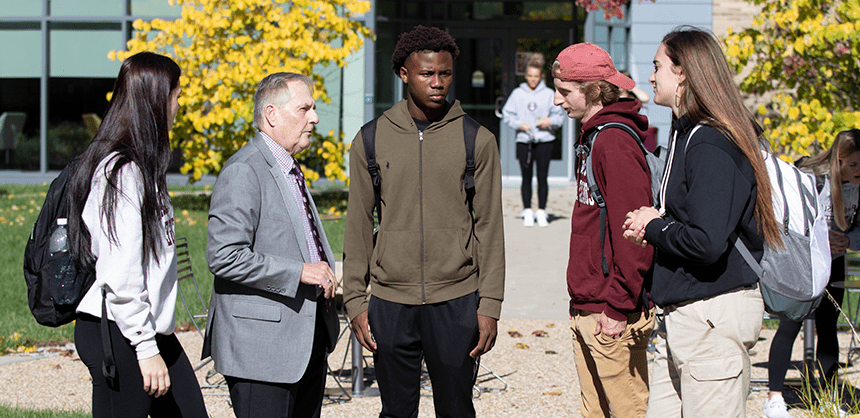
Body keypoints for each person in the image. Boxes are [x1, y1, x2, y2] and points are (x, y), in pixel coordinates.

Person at [342, 25, 505, 418]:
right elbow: (359, 225)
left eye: (445, 73)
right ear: (403, 73)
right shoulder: (370, 140)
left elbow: (489, 228)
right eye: (426, 74)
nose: (437, 83)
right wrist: (354, 301)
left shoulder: (476, 139)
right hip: (389, 300)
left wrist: (490, 305)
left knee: (456, 409)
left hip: (456, 298)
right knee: (396, 411)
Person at [622, 26, 782, 417]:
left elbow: (707, 241)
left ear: (683, 73)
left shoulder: (713, 142)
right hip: (686, 316)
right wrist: (659, 222)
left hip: (713, 317)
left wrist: (653, 227)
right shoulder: (687, 134)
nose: (650, 76)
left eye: (657, 66)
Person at [67, 51, 208, 418]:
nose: (180, 104)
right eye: (176, 94)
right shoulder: (122, 173)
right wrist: (146, 350)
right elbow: (121, 275)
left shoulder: (145, 168)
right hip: (118, 331)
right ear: (157, 100)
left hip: (144, 328)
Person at [203, 72, 339, 418]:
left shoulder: (288, 168)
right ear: (272, 115)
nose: (315, 118)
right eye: (304, 108)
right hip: (260, 351)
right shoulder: (244, 170)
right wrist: (301, 272)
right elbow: (224, 255)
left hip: (305, 342)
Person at [551, 43, 655, 418]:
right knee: (593, 412)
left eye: (565, 91)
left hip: (610, 312)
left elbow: (635, 234)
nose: (557, 100)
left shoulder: (613, 141)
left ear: (594, 90)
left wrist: (618, 304)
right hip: (590, 303)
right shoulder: (593, 136)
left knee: (628, 411)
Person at [763, 129, 860, 418]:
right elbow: (792, 221)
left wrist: (848, 242)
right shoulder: (816, 182)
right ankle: (774, 397)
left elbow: (856, 230)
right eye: (854, 165)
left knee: (828, 329)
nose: (859, 171)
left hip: (835, 264)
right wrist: (821, 240)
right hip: (804, 265)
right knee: (790, 325)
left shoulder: (857, 187)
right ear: (838, 161)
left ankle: (828, 395)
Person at [502, 53, 565, 227]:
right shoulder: (517, 93)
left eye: (536, 76)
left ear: (540, 77)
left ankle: (542, 211)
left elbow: (559, 118)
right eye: (529, 76)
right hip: (524, 141)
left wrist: (549, 122)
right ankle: (527, 210)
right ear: (525, 76)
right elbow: (507, 115)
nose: (532, 79)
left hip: (544, 140)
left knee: (542, 177)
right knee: (526, 177)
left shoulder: (548, 94)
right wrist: (518, 124)